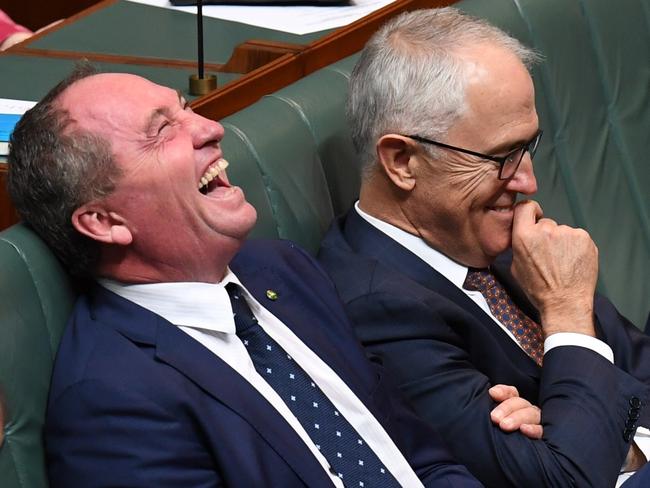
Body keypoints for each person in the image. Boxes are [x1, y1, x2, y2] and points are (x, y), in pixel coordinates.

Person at [8, 65, 504, 487]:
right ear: (105, 222)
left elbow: (420, 457)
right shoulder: (113, 402)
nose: (209, 128)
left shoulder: (282, 271)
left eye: (185, 108)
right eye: (162, 131)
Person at [317, 8, 650, 488]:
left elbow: (638, 367)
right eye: (501, 156)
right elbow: (562, 480)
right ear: (403, 161)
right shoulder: (377, 312)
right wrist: (567, 313)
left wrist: (613, 441)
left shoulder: (488, 232)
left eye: (528, 147)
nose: (528, 181)